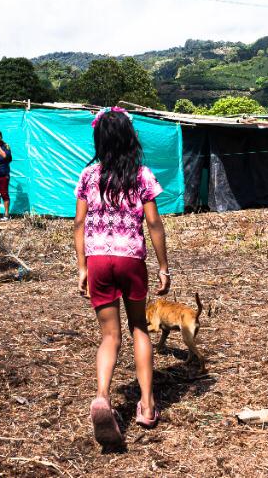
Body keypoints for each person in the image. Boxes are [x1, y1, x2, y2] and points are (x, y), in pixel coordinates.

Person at [74, 107, 171, 448]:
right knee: (139, 328)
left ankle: (102, 397)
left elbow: (79, 225)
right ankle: (146, 406)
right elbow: (154, 224)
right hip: (131, 259)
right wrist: (163, 266)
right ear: (130, 138)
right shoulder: (142, 175)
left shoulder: (88, 176)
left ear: (98, 139)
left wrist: (83, 266)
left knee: (109, 337)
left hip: (98, 259)